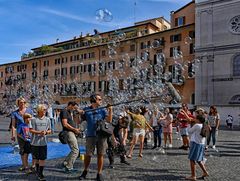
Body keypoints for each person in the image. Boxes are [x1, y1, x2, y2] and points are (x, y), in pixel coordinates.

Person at [79, 94, 113, 181]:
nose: (101, 101)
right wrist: (79, 113)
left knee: (100, 154)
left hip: (101, 135)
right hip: (90, 135)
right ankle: (85, 171)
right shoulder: (86, 110)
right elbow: (79, 121)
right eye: (99, 99)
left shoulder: (102, 110)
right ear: (94, 100)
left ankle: (99, 173)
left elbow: (109, 121)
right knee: (88, 155)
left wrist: (110, 110)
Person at [180, 111, 209, 181]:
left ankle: (193, 176)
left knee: (192, 159)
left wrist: (188, 124)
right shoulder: (204, 125)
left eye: (195, 118)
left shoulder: (197, 125)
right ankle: (205, 172)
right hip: (201, 144)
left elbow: (189, 131)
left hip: (195, 143)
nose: (194, 119)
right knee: (199, 160)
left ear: (198, 120)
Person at [29, 104, 51, 181]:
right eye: (44, 109)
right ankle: (38, 172)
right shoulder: (33, 119)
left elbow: (50, 130)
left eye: (45, 109)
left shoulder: (48, 119)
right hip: (34, 142)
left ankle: (40, 174)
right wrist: (39, 132)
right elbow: (30, 130)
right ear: (39, 110)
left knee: (42, 159)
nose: (45, 111)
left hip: (43, 142)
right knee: (37, 159)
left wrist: (46, 132)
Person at [60, 101, 83, 173]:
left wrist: (78, 114)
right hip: (68, 132)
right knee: (76, 150)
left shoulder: (70, 112)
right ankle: (69, 167)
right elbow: (65, 124)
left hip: (72, 132)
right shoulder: (64, 111)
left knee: (74, 150)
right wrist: (74, 129)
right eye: (74, 107)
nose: (74, 109)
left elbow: (78, 122)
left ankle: (65, 163)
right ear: (70, 105)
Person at [11, 97, 33, 171]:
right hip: (20, 134)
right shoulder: (15, 113)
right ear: (18, 103)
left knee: (30, 149)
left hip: (29, 133)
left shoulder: (29, 111)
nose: (22, 104)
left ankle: (32, 165)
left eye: (23, 102)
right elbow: (13, 125)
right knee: (22, 150)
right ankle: (24, 165)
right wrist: (13, 135)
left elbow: (33, 121)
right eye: (20, 102)